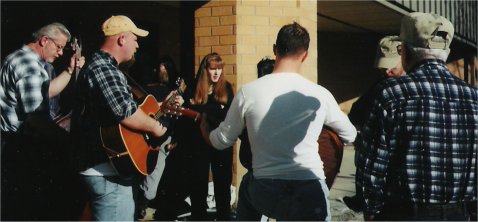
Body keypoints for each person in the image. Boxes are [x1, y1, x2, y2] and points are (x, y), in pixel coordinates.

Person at [200, 22, 357, 221]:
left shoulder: (248, 92)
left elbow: (221, 140)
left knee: (248, 182)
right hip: (309, 190)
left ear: (275, 49)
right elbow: (350, 134)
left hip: (266, 192)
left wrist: (205, 130)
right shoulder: (320, 94)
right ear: (305, 55)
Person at [356, 12, 477, 221]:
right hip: (458, 212)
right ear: (446, 52)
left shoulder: (391, 94)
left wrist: (371, 209)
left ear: (406, 53)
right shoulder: (474, 98)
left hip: (402, 212)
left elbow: (372, 166)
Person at [70, 15, 181, 221]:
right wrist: (157, 128)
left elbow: (120, 107)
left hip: (106, 170)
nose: (137, 45)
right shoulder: (104, 68)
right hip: (107, 172)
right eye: (135, 39)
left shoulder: (106, 68)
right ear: (121, 39)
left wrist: (159, 107)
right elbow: (124, 111)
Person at [0, 22, 84, 220]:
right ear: (44, 40)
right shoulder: (29, 65)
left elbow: (45, 93)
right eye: (59, 47)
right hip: (20, 148)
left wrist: (70, 71)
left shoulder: (23, 60)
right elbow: (37, 118)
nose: (61, 53)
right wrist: (68, 142)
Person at [342, 35, 404, 212]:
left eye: (392, 67)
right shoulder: (380, 85)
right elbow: (356, 111)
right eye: (382, 68)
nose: (386, 72)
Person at [180, 52, 235, 220]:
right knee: (198, 183)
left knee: (222, 185)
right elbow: (184, 115)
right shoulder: (193, 88)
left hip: (220, 141)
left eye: (219, 68)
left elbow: (226, 115)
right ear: (206, 70)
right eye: (213, 69)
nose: (217, 73)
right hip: (199, 142)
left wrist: (196, 109)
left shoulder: (226, 88)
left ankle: (224, 218)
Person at [134, 56, 181, 220]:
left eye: (166, 70)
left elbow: (174, 118)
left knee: (151, 184)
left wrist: (173, 138)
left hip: (162, 140)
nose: (163, 73)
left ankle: (141, 206)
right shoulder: (144, 89)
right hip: (142, 138)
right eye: (161, 70)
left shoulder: (173, 91)